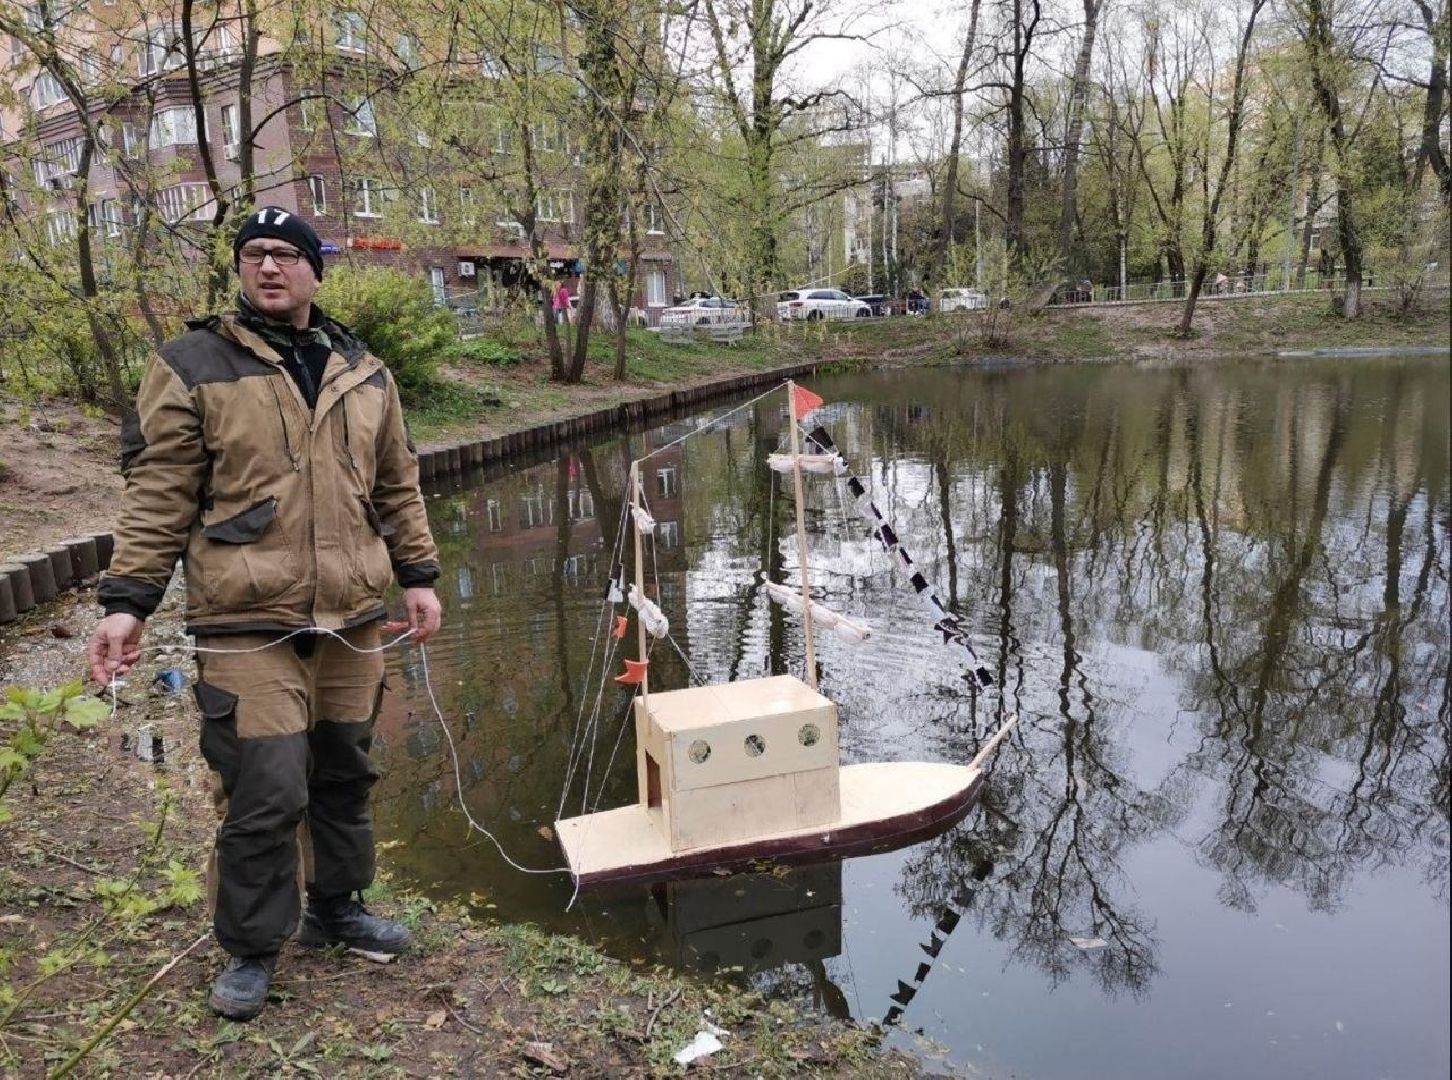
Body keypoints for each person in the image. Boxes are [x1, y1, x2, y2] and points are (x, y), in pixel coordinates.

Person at [85, 207, 443, 1022]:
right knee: (264, 788)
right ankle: (251, 948)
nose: (270, 267)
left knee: (347, 773)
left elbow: (397, 486)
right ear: (240, 269)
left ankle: (338, 909)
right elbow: (158, 493)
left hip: (352, 617)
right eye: (254, 255)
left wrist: (418, 576)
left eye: (287, 254)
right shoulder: (191, 364)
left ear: (317, 270)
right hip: (246, 620)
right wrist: (127, 602)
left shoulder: (365, 370)